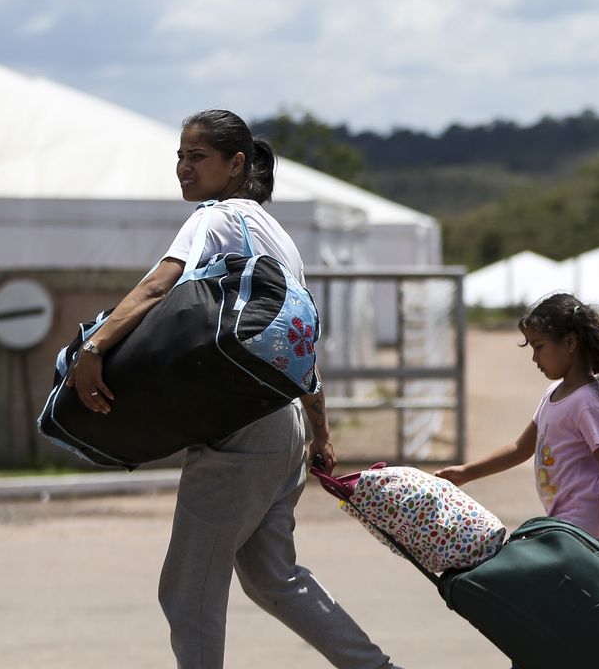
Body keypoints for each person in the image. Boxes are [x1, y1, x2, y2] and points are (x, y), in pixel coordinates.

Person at [66, 109, 400, 669]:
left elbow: (155, 288)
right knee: (275, 578)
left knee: (188, 587)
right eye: (180, 155)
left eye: (197, 157)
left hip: (242, 427)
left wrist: (91, 349)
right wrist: (319, 431)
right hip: (283, 422)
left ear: (236, 163)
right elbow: (298, 339)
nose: (183, 168)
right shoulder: (278, 237)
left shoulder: (214, 219)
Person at [437, 293, 599, 550]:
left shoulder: (587, 402)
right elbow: (521, 448)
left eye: (539, 347)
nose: (534, 358)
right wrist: (465, 472)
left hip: (583, 522)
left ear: (570, 342)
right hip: (563, 520)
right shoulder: (553, 394)